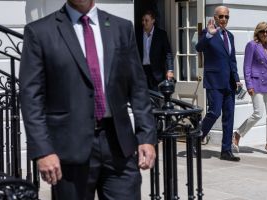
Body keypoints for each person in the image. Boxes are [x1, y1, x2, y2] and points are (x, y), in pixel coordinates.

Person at [19, 0, 157, 199]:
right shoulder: (40, 32)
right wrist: (43, 150)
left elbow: (138, 87)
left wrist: (146, 136)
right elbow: (31, 97)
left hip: (119, 145)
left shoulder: (121, 27)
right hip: (69, 150)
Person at [196, 6, 242, 162]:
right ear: (215, 17)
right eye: (221, 16)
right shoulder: (208, 33)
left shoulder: (230, 36)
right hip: (214, 81)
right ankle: (196, 138)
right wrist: (208, 34)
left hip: (229, 83)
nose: (224, 19)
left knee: (229, 117)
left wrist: (236, 79)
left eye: (226, 17)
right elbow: (198, 47)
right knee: (214, 112)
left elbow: (232, 60)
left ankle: (226, 151)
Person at [232, 22, 267, 155]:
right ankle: (237, 135)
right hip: (256, 83)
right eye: (262, 31)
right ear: (257, 33)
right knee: (258, 113)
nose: (265, 34)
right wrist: (249, 85)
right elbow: (246, 66)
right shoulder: (252, 45)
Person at [136, 10, 174, 91]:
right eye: (143, 20)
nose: (144, 22)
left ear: (153, 21)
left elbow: (168, 53)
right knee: (144, 98)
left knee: (156, 98)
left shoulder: (161, 34)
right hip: (142, 71)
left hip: (157, 73)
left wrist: (170, 70)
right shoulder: (137, 34)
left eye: (146, 20)